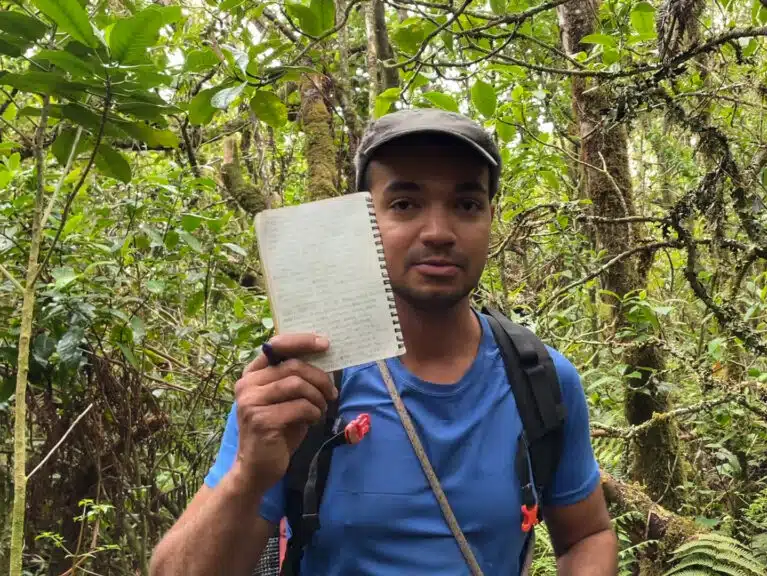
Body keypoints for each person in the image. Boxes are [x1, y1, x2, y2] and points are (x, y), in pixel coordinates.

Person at [149, 108, 616, 575]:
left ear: (491, 218)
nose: (438, 233)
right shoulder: (304, 380)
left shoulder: (540, 379)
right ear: (363, 221)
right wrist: (249, 476)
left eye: (466, 204)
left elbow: (587, 535)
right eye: (405, 204)